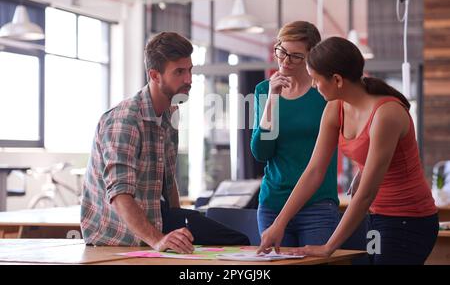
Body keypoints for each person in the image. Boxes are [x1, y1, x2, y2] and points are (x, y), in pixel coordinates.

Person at [257, 36, 439, 265]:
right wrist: (279, 223)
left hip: (408, 220)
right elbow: (314, 171)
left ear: (336, 80)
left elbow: (365, 194)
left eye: (315, 79)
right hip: (376, 217)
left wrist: (328, 248)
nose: (313, 85)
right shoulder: (336, 107)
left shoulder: (386, 114)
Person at [81, 32, 249, 252]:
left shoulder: (170, 112)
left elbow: (168, 182)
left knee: (240, 242)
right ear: (155, 75)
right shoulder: (125, 120)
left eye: (189, 70)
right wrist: (158, 240)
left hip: (157, 219)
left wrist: (180, 227)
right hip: (117, 234)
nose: (188, 79)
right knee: (238, 243)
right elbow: (120, 195)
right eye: (179, 72)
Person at [250, 21, 340, 247]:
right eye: (282, 51)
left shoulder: (325, 92)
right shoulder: (264, 90)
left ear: (312, 56)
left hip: (317, 206)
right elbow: (261, 152)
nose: (285, 61)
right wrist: (272, 98)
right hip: (273, 204)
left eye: (296, 56)